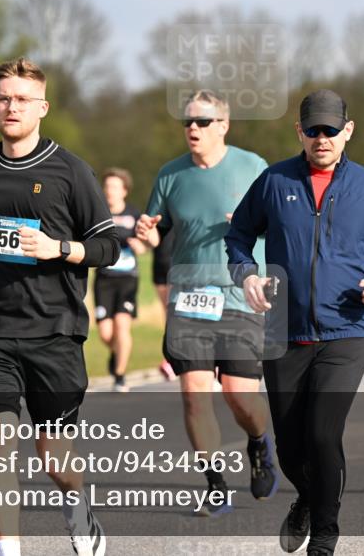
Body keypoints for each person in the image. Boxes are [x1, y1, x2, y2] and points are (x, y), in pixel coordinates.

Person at [227, 89, 364, 555]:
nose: (322, 138)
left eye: (331, 130)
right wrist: (248, 275)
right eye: (313, 130)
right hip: (283, 332)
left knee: (322, 434)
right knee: (292, 448)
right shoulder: (274, 182)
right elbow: (238, 237)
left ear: (347, 131)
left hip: (345, 332)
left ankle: (326, 538)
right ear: (300, 132)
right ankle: (309, 500)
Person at [0, 58, 118, 556]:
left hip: (56, 332)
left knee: (54, 455)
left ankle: (78, 509)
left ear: (42, 107)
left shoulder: (71, 171)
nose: (11, 106)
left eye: (22, 99)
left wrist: (58, 249)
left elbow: (109, 248)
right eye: (3, 97)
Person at [135, 89, 279, 517]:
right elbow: (156, 233)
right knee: (196, 395)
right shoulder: (170, 175)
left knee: (239, 397)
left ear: (223, 125)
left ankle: (258, 443)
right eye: (187, 123)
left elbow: (283, 226)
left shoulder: (253, 168)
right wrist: (147, 236)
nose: (192, 129)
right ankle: (215, 484)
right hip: (190, 300)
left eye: (201, 122)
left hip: (240, 295)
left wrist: (253, 226)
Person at [93, 167, 146, 392]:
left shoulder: (133, 215)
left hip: (127, 278)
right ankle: (116, 352)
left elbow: (145, 245)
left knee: (122, 327)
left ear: (124, 191)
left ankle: (120, 376)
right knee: (106, 332)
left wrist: (139, 246)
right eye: (107, 187)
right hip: (104, 278)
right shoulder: (98, 214)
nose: (110, 191)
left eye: (115, 187)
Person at [152, 229, 178, 381]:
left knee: (174, 314)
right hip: (159, 265)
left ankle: (172, 359)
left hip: (176, 264)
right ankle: (171, 358)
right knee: (168, 315)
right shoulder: (161, 206)